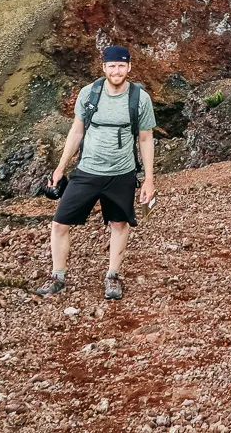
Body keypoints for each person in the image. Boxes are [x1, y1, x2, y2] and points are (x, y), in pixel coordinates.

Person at [35, 45, 155, 300]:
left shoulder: (139, 99)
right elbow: (76, 132)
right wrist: (60, 168)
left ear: (129, 67)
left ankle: (112, 276)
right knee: (59, 223)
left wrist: (149, 180)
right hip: (87, 171)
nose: (117, 70)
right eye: (112, 66)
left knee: (119, 224)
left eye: (121, 65)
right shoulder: (89, 94)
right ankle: (57, 276)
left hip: (122, 173)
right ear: (104, 68)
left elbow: (145, 139)